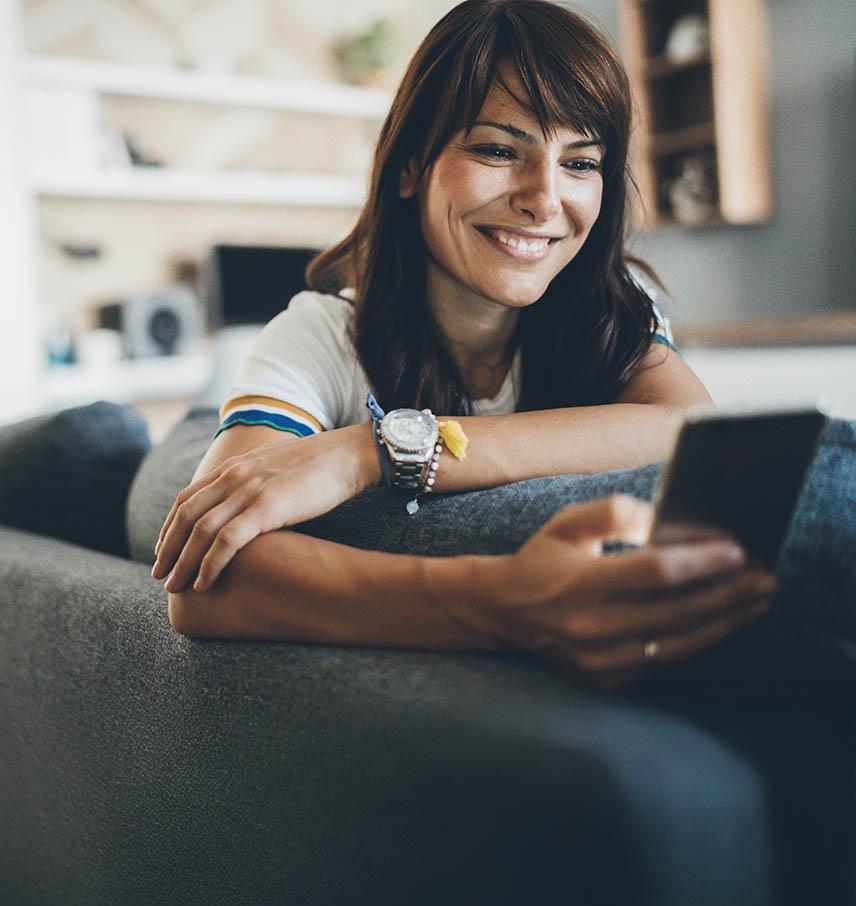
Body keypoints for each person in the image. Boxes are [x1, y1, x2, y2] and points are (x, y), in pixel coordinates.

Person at [151, 0, 783, 689]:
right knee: (153, 475)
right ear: (410, 167)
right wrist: (509, 600)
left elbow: (686, 425)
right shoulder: (322, 331)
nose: (545, 199)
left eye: (580, 162)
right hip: (204, 438)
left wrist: (374, 450)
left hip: (335, 439)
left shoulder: (614, 305)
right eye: (497, 150)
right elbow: (204, 584)